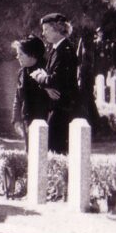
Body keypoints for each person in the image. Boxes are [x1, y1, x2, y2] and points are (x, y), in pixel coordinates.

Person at [31, 12, 78, 155]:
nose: (43, 34)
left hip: (63, 107)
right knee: (51, 148)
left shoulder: (65, 50)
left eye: (46, 29)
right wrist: (46, 86)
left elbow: (55, 79)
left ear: (57, 29)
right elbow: (49, 78)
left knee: (55, 150)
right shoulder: (56, 49)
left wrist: (39, 77)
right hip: (56, 105)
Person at [11, 34, 50, 144]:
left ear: (32, 55)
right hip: (27, 121)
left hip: (45, 122)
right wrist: (16, 120)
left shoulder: (47, 72)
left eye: (21, 54)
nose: (17, 57)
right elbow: (18, 97)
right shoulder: (22, 73)